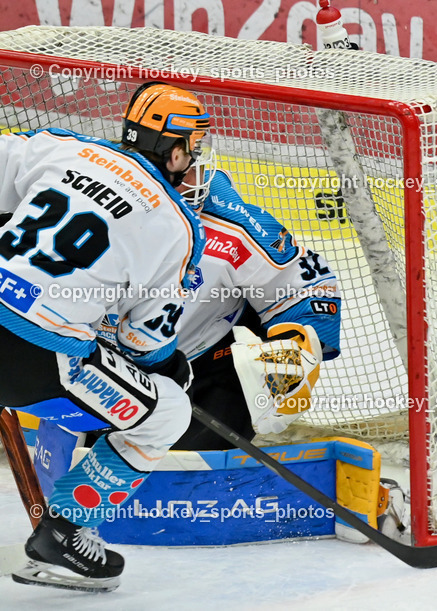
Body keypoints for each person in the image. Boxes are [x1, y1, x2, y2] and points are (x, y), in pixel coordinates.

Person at [0, 82, 206, 590]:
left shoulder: (61, 147)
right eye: (193, 148)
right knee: (167, 413)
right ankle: (64, 533)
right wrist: (167, 367)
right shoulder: (178, 227)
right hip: (35, 356)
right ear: (176, 151)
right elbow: (143, 341)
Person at [108, 146, 343, 450]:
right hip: (107, 366)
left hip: (206, 368)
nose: (198, 176)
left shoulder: (229, 221)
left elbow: (306, 286)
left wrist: (292, 349)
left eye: (196, 163)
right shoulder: (99, 211)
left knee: (180, 462)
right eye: (188, 164)